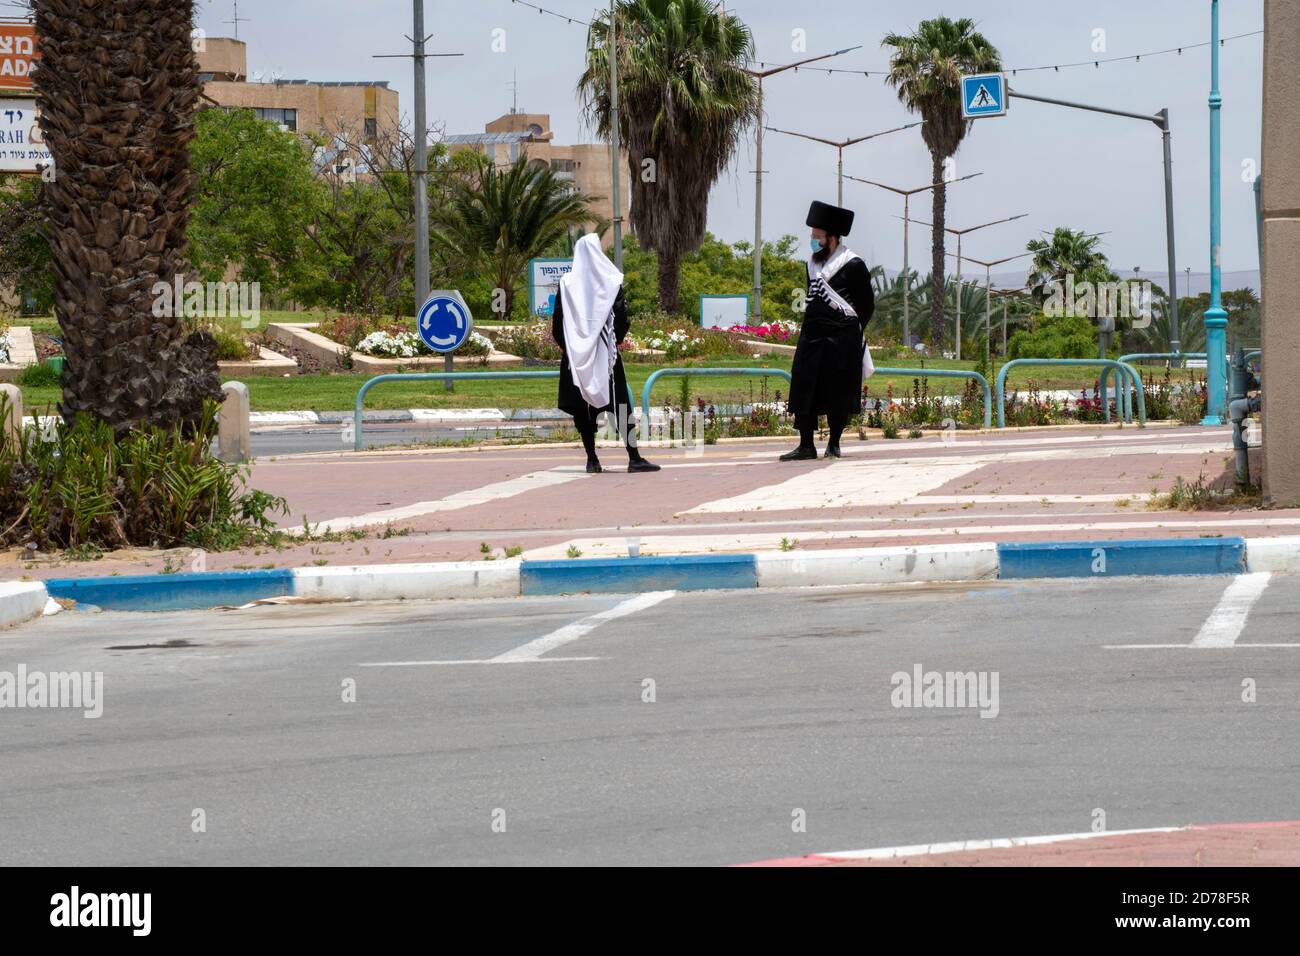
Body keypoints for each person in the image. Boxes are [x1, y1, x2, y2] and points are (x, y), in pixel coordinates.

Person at [552, 233, 660, 474]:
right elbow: (621, 320)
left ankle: (592, 460)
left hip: (575, 360)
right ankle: (634, 458)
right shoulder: (611, 283)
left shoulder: (566, 285)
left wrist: (575, 350)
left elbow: (558, 325)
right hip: (607, 358)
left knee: (583, 408)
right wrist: (611, 345)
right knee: (621, 405)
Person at [781, 200, 876, 461]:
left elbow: (866, 305)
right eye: (812, 236)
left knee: (838, 389)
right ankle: (806, 445)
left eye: (817, 237)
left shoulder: (853, 264)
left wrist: (850, 330)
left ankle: (834, 443)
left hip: (841, 337)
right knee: (803, 385)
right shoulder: (812, 265)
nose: (813, 241)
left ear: (832, 238)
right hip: (812, 334)